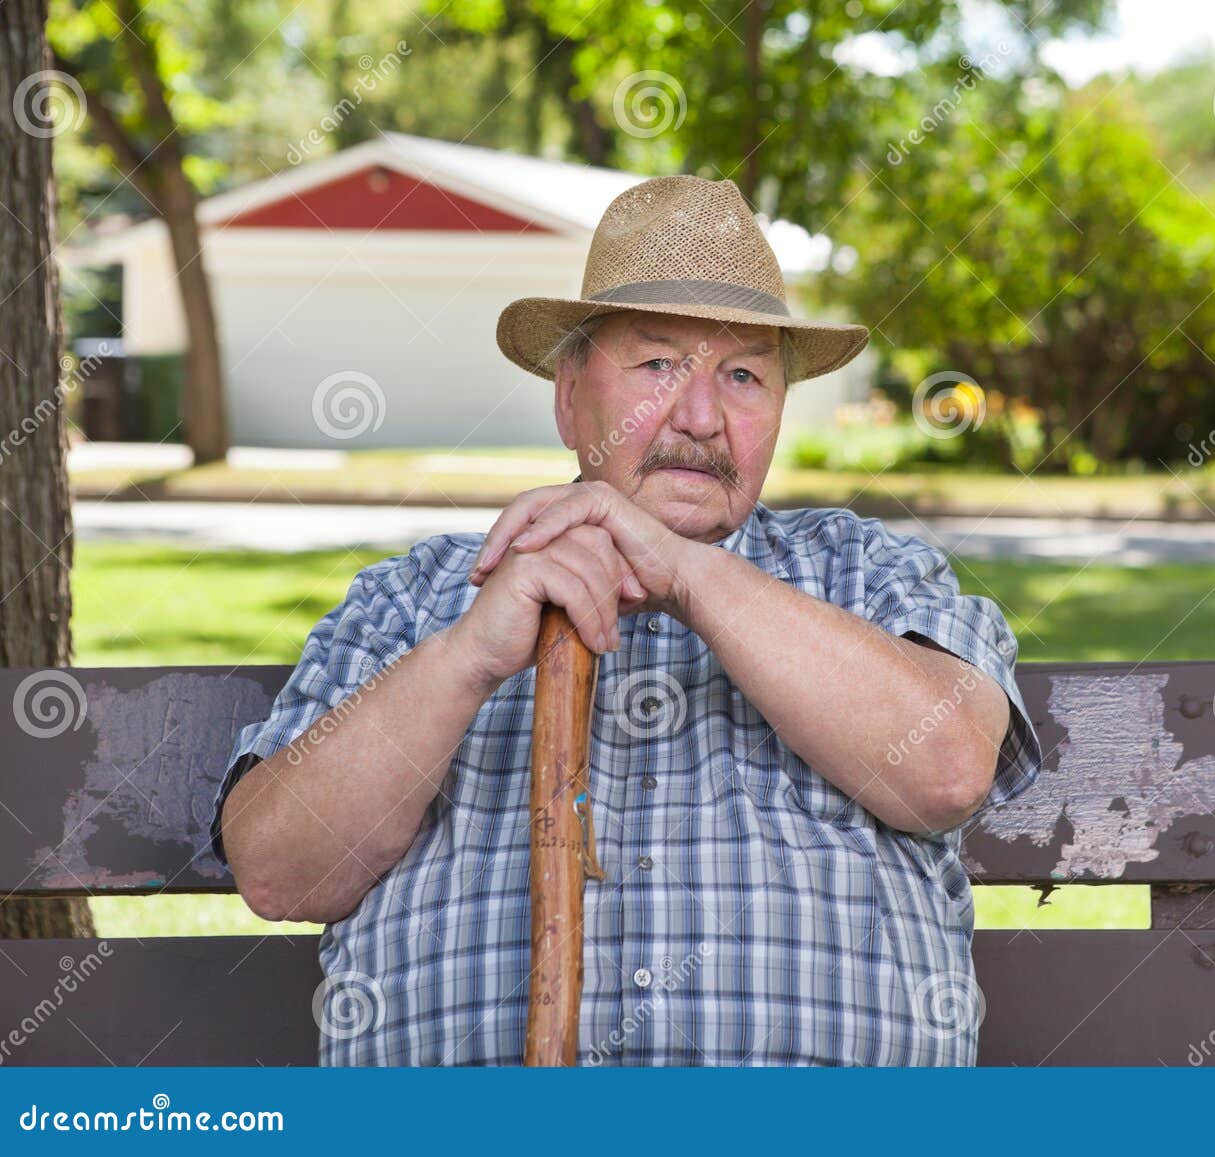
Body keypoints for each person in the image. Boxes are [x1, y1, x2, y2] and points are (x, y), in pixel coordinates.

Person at [211, 174, 1042, 1066]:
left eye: (744, 375)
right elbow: (278, 869)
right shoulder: (419, 597)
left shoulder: (865, 571)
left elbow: (951, 765)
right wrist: (463, 660)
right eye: (657, 366)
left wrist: (688, 572)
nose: (700, 417)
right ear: (570, 394)